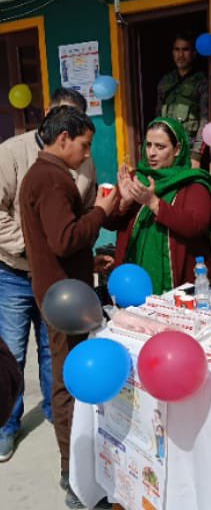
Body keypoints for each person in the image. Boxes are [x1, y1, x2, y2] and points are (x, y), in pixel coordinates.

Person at [17, 107, 119, 506]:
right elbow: (64, 238)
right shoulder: (51, 178)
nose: (87, 153)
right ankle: (72, 472)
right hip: (61, 299)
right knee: (69, 383)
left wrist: (85, 263)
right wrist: (102, 210)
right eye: (84, 144)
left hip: (61, 286)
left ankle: (75, 467)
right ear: (63, 139)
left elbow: (52, 243)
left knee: (69, 376)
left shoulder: (45, 175)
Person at [0, 90, 96, 464]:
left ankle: (62, 427)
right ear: (58, 129)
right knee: (13, 351)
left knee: (53, 358)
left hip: (58, 279)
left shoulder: (79, 160)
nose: (86, 150)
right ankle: (7, 427)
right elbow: (63, 233)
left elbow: (81, 210)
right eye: (65, 119)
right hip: (15, 268)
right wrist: (30, 245)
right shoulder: (16, 154)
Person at [110, 116, 211, 293]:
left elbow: (195, 225)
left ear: (177, 149)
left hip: (180, 285)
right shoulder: (136, 179)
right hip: (133, 282)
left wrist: (153, 203)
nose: (151, 153)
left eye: (160, 147)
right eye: (149, 145)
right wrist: (125, 203)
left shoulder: (193, 184)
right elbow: (111, 223)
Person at [154, 29, 211, 171]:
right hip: (167, 149)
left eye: (185, 50)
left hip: (189, 149)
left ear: (194, 53)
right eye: (177, 50)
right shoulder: (166, 81)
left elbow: (205, 120)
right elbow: (158, 118)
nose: (180, 55)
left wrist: (196, 155)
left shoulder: (201, 81)